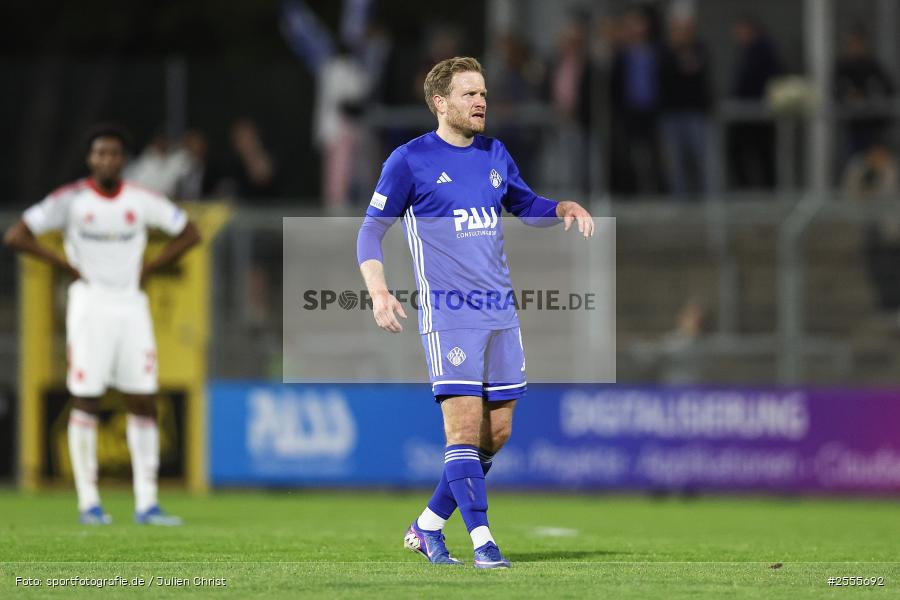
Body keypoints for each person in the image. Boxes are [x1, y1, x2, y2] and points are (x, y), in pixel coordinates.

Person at [355, 57, 593, 568]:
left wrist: (561, 208)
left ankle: (426, 526)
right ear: (440, 103)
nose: (481, 101)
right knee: (462, 430)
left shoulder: (494, 153)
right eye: (468, 94)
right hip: (449, 313)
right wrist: (378, 291)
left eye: (482, 93)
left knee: (496, 433)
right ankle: (483, 541)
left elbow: (524, 205)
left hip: (501, 312)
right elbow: (371, 230)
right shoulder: (409, 160)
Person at [3, 124, 201, 525]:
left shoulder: (141, 200)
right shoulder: (71, 200)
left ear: (123, 159)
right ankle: (89, 502)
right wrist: (64, 265)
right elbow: (17, 235)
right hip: (89, 305)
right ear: (90, 159)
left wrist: (149, 267)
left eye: (113, 153)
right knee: (87, 398)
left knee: (143, 398)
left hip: (131, 305)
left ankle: (147, 503)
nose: (107, 159)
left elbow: (190, 233)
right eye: (100, 153)